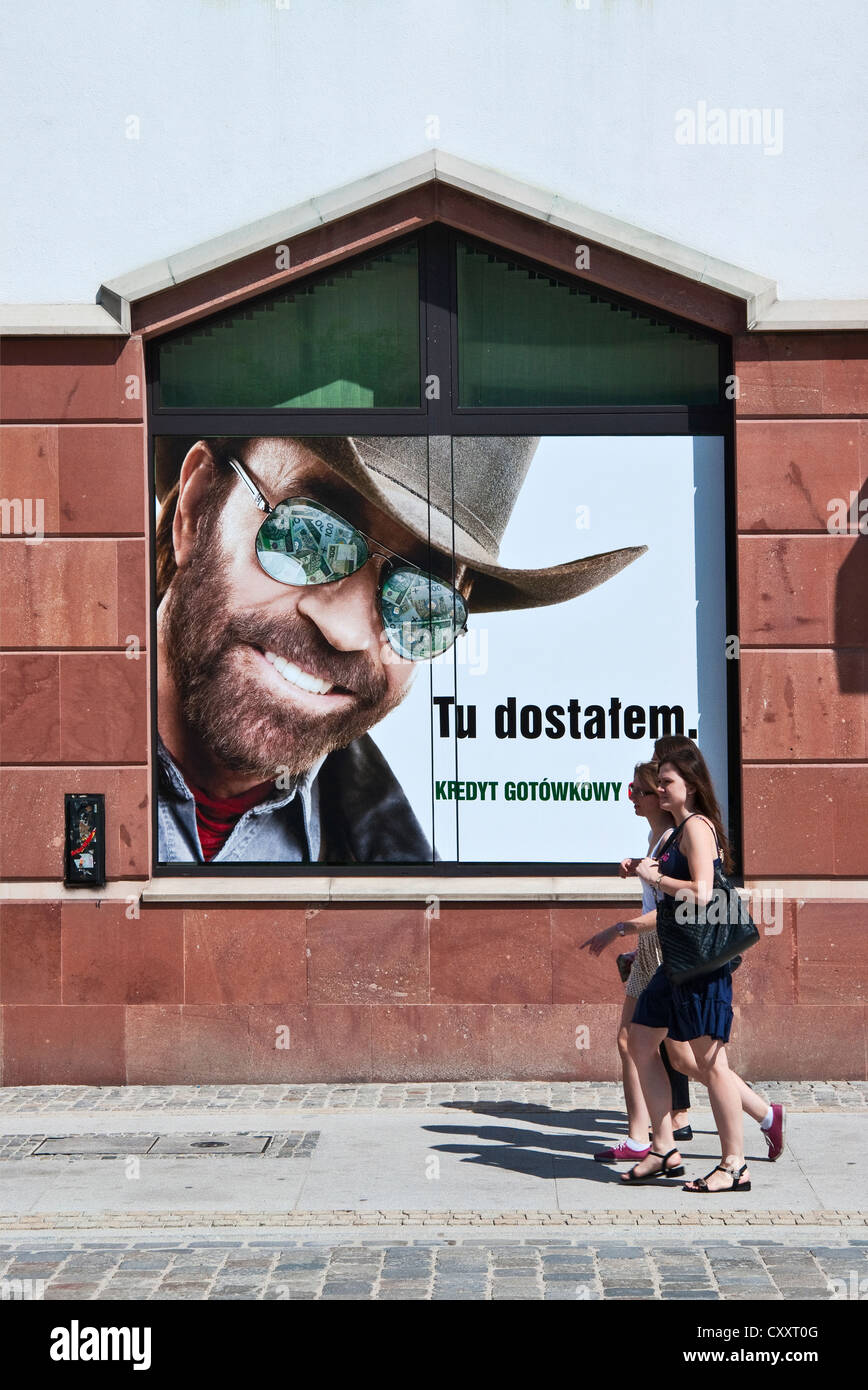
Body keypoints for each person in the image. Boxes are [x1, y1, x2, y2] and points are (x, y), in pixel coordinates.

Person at [154, 434, 647, 864]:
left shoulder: (405, 897)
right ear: (197, 512)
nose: (346, 632)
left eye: (420, 600)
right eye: (308, 536)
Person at [621, 746, 780, 1191]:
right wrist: (643, 868)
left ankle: (734, 1164)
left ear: (689, 787)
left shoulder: (696, 828)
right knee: (639, 1041)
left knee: (711, 1062)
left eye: (666, 782)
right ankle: (663, 1148)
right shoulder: (674, 832)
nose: (658, 789)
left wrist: (656, 878)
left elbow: (703, 894)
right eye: (658, 783)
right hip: (675, 960)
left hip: (700, 963)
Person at [580, 761, 692, 1162]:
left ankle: (643, 1139)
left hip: (660, 946)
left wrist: (621, 929)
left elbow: (672, 907)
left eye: (639, 791)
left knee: (643, 1044)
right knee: (676, 1053)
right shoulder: (656, 837)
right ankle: (763, 1114)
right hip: (652, 947)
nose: (634, 797)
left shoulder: (671, 839)